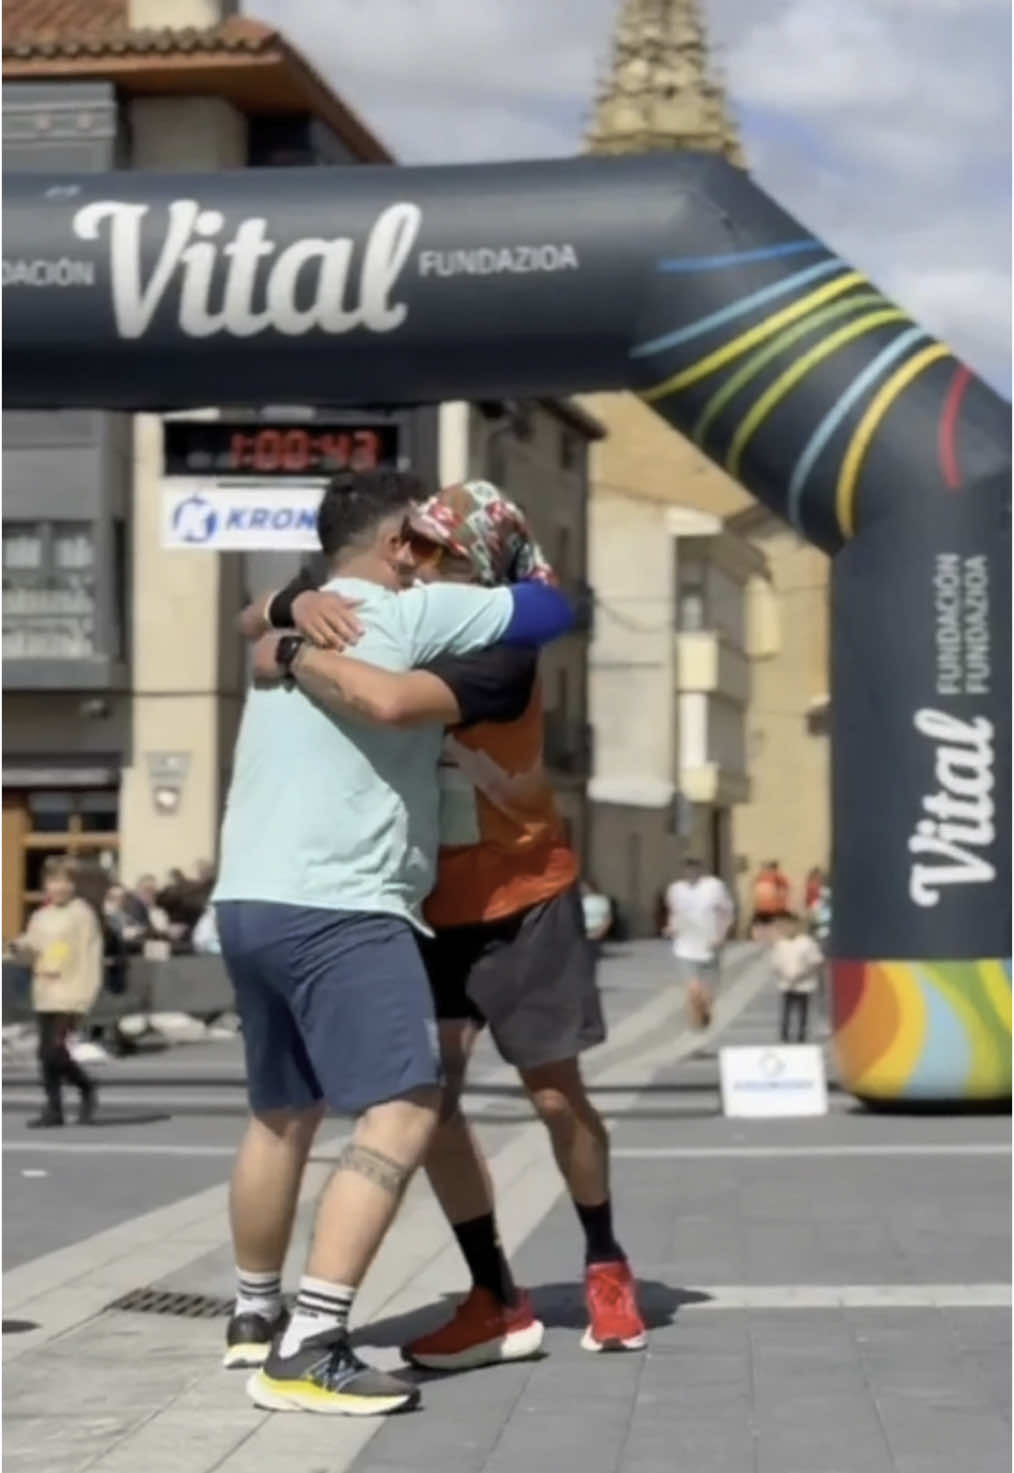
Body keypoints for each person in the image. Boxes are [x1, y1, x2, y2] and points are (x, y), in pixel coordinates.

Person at [248, 479, 646, 1365]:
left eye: (443, 554)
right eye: (414, 550)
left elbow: (389, 700)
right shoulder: (410, 613)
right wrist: (289, 602)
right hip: (426, 905)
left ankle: (605, 1258)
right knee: (428, 1103)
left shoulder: (497, 650)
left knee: (553, 1094)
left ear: (486, 566)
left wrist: (287, 648)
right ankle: (493, 1293)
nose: (421, 568)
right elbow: (269, 623)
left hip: (522, 896)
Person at [6, 857, 103, 1127]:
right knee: (45, 1054)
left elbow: (89, 955)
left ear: (73, 885)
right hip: (45, 990)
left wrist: (86, 994)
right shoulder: (40, 916)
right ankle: (54, 1108)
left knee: (55, 1051)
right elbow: (33, 946)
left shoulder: (82, 914)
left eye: (64, 881)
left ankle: (85, 1087)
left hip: (71, 991)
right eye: (53, 881)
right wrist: (17, 948)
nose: (58, 887)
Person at [664, 857, 734, 1030]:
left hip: (710, 946)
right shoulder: (676, 889)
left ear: (701, 871)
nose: (691, 874)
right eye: (688, 870)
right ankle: (696, 1022)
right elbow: (674, 912)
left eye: (694, 870)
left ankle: (705, 1012)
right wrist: (671, 927)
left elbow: (727, 912)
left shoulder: (714, 887)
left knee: (707, 994)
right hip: (684, 947)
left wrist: (722, 935)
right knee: (693, 990)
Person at [770, 912, 824, 1043]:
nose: (787, 929)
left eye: (790, 926)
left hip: (803, 984)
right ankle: (785, 1034)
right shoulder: (780, 944)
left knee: (802, 1010)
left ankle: (801, 1033)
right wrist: (783, 974)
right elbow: (775, 964)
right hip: (786, 983)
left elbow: (816, 962)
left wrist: (802, 974)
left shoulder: (806, 943)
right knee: (786, 1010)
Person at [750, 860, 790, 936]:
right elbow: (785, 889)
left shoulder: (760, 877)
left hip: (763, 910)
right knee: (770, 930)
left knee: (763, 929)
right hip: (771, 910)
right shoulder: (777, 877)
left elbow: (755, 891)